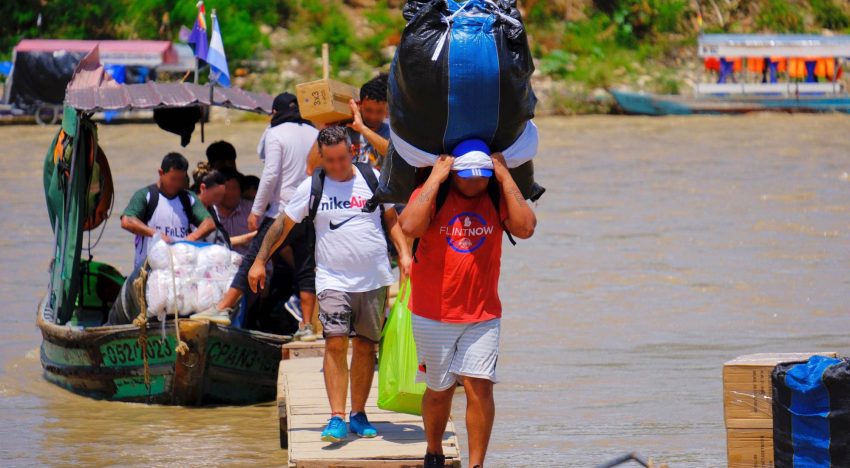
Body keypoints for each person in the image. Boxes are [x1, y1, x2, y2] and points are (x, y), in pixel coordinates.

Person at [247, 126, 412, 443]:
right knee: (336, 342)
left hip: (374, 278)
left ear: (352, 151)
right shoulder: (313, 186)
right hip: (332, 280)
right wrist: (259, 260)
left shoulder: (373, 177)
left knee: (366, 346)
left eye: (341, 158)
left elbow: (391, 218)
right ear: (321, 157)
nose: (336, 166)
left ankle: (358, 413)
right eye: (329, 160)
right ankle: (337, 416)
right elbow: (282, 224)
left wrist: (404, 254)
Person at [398, 140, 537, 468]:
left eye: (481, 176)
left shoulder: (495, 192)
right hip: (433, 314)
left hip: (483, 313)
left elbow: (527, 227)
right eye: (467, 176)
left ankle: (476, 465)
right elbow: (409, 226)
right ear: (454, 173)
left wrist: (505, 177)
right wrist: (435, 177)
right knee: (439, 390)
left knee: (480, 389)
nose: (475, 182)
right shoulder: (436, 192)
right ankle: (433, 451)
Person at [193, 93, 318, 337]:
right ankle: (307, 325)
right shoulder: (314, 133)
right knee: (305, 268)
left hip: (283, 211)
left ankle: (222, 308)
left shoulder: (275, 133)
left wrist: (257, 210)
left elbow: (270, 174)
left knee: (254, 257)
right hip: (310, 211)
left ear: (274, 113)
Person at [120, 152, 215, 271]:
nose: (176, 184)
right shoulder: (146, 195)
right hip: (149, 269)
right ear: (161, 173)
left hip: (180, 268)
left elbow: (209, 223)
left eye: (181, 179)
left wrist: (192, 237)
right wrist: (155, 234)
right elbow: (127, 221)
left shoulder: (188, 198)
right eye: (173, 179)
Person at [307, 74, 390, 174]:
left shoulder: (389, 133)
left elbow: (391, 153)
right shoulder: (340, 130)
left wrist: (362, 129)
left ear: (387, 110)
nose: (373, 116)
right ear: (359, 105)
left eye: (379, 112)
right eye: (368, 110)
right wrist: (324, 131)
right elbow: (311, 169)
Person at [213, 167, 257, 255]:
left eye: (234, 188)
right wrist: (245, 239)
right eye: (227, 188)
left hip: (249, 265)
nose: (231, 193)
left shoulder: (254, 210)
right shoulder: (209, 211)